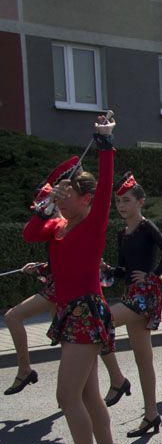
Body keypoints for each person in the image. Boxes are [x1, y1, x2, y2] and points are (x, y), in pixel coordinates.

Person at [23, 112, 128, 444]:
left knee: (67, 397)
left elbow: (105, 186)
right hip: (69, 313)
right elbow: (30, 233)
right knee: (88, 396)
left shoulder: (92, 220)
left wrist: (105, 143)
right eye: (58, 193)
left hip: (86, 311)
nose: (61, 197)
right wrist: (45, 205)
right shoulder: (57, 226)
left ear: (85, 199)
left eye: (66, 193)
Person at [107, 173, 162, 435]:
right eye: (118, 201)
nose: (121, 205)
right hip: (130, 294)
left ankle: (117, 380)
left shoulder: (146, 227)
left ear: (140, 202)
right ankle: (151, 415)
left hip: (145, 294)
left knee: (98, 323)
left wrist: (153, 275)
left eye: (126, 200)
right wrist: (107, 270)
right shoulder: (122, 233)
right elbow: (123, 270)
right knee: (143, 360)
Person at [4, 156, 78, 396]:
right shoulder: (59, 223)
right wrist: (40, 268)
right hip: (59, 286)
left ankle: (26, 370)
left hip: (63, 289)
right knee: (69, 341)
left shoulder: (66, 223)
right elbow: (59, 259)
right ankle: (111, 381)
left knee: (13, 317)